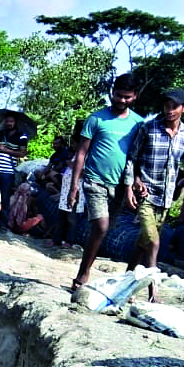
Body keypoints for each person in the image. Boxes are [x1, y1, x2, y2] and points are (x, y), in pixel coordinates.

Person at [122, 87, 184, 299]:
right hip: (146, 193)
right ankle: (153, 292)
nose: (169, 110)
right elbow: (132, 158)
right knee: (154, 242)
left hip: (166, 198)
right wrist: (132, 183)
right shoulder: (149, 128)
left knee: (142, 243)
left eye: (174, 107)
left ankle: (126, 279)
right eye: (166, 106)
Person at [68, 74, 146, 294]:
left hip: (122, 185)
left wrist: (137, 181)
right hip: (95, 180)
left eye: (126, 97)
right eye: (118, 95)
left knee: (107, 229)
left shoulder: (138, 124)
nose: (121, 100)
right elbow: (81, 153)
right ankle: (83, 273)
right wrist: (74, 185)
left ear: (134, 97)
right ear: (112, 92)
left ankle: (122, 278)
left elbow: (138, 157)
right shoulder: (96, 119)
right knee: (100, 226)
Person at [0, 114, 30, 226]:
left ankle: (3, 223)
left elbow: (22, 153)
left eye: (11, 121)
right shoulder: (0, 134)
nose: (9, 123)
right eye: (7, 121)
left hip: (8, 172)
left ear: (15, 122)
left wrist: (6, 150)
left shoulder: (22, 136)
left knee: (5, 199)